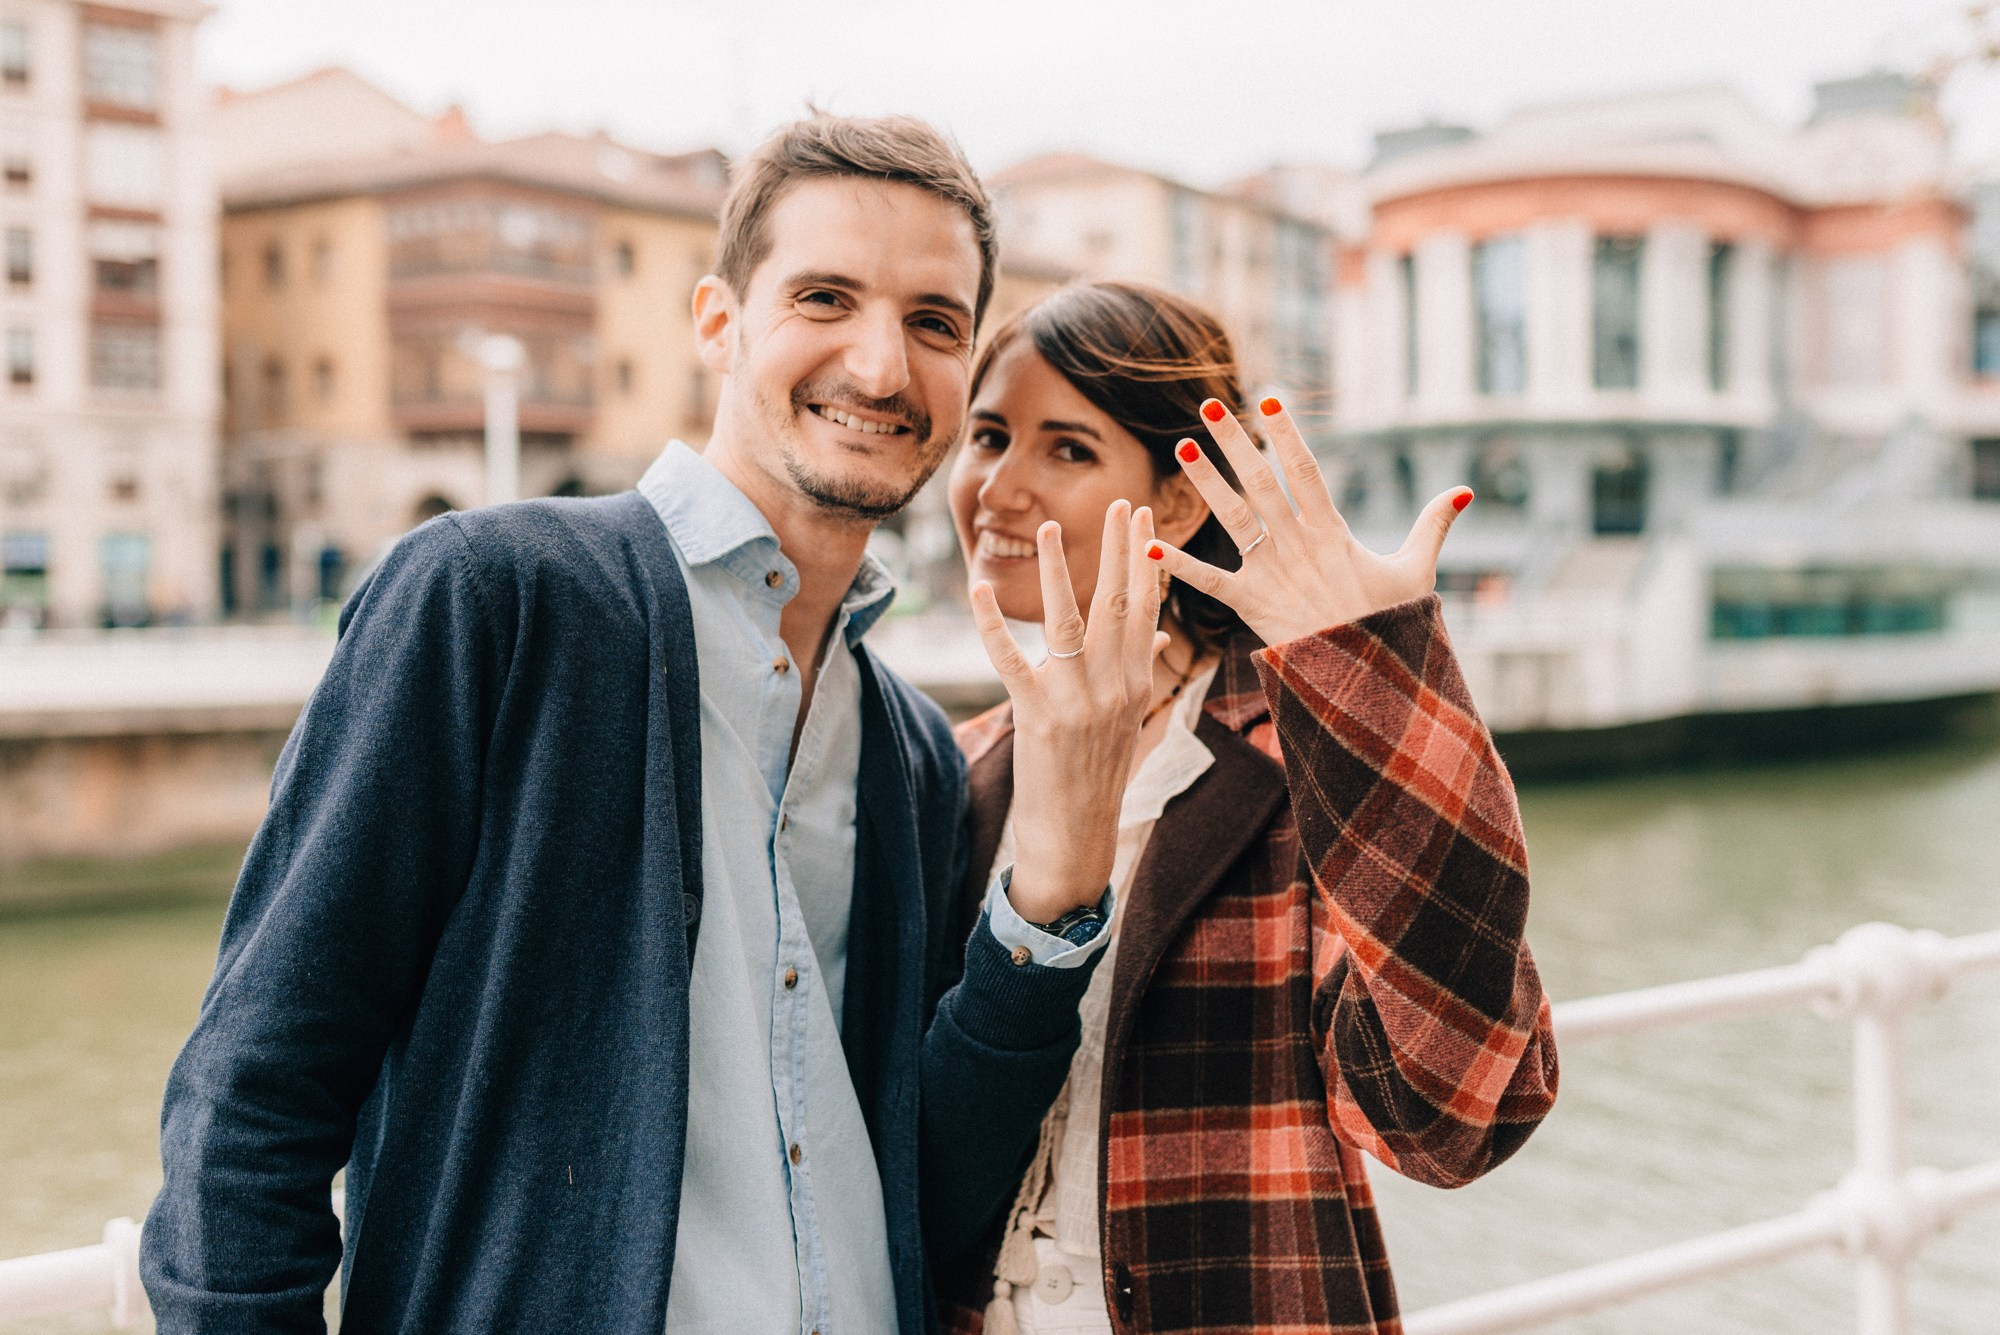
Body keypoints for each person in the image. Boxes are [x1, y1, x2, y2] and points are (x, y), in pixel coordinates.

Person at [141, 117, 1157, 1335]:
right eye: (824, 298)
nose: (882, 367)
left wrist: (1053, 896)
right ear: (717, 322)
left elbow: (927, 1186)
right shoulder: (494, 599)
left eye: (934, 324)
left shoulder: (912, 751)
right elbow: (252, 1094)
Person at [936, 282, 1561, 1335]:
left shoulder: (1303, 753)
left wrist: (1379, 679)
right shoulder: (955, 766)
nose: (998, 486)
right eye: (988, 435)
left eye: (1068, 448)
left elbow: (1451, 1120)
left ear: (1180, 503)